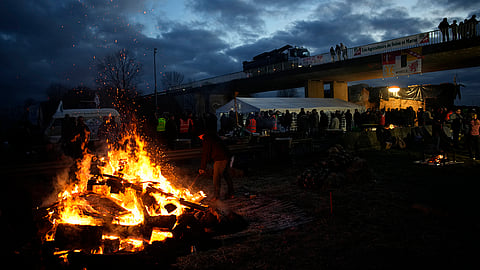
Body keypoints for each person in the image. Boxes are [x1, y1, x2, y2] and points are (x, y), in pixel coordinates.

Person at [198, 132, 234, 200]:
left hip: (221, 158)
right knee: (226, 175)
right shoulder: (213, 136)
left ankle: (216, 196)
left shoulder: (206, 139)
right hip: (226, 156)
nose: (199, 139)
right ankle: (231, 193)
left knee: (216, 177)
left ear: (201, 135)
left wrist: (202, 167)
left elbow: (206, 153)